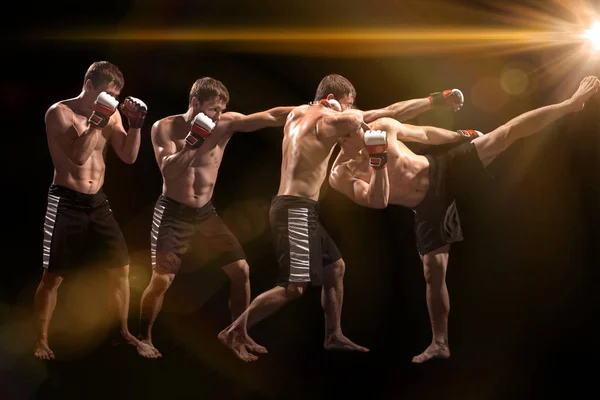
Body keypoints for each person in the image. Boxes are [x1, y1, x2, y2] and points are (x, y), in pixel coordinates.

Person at [328, 75, 600, 363]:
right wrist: (377, 158)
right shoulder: (341, 173)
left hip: (442, 169)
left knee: (505, 133)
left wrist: (462, 135)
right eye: (345, 128)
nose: (357, 126)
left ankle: (570, 104)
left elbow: (425, 135)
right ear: (337, 134)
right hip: (425, 206)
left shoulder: (382, 126)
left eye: (354, 121)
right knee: (433, 271)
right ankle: (440, 344)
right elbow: (378, 201)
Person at [218, 73, 463, 362]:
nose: (351, 112)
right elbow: (389, 112)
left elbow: (264, 116)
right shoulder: (336, 119)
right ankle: (233, 332)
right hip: (295, 209)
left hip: (295, 207)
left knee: (335, 268)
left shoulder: (295, 113)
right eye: (348, 105)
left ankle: (333, 335)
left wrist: (225, 123)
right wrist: (435, 99)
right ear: (333, 100)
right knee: (292, 288)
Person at [138, 77, 295, 358]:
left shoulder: (225, 123)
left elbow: (271, 116)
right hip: (173, 212)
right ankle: (144, 338)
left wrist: (308, 109)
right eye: (213, 109)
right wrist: (193, 143)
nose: (218, 115)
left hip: (205, 212)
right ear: (195, 103)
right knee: (161, 281)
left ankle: (237, 333)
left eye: (222, 109)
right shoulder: (164, 128)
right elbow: (170, 172)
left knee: (241, 270)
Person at [35, 61, 158, 360]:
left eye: (114, 96)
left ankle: (124, 333)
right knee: (53, 277)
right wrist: (98, 119)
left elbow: (128, 156)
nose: (110, 101)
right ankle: (41, 340)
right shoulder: (59, 113)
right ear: (88, 84)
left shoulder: (111, 113)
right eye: (105, 93)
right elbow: (78, 156)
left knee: (121, 268)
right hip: (65, 200)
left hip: (97, 201)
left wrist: (136, 124)